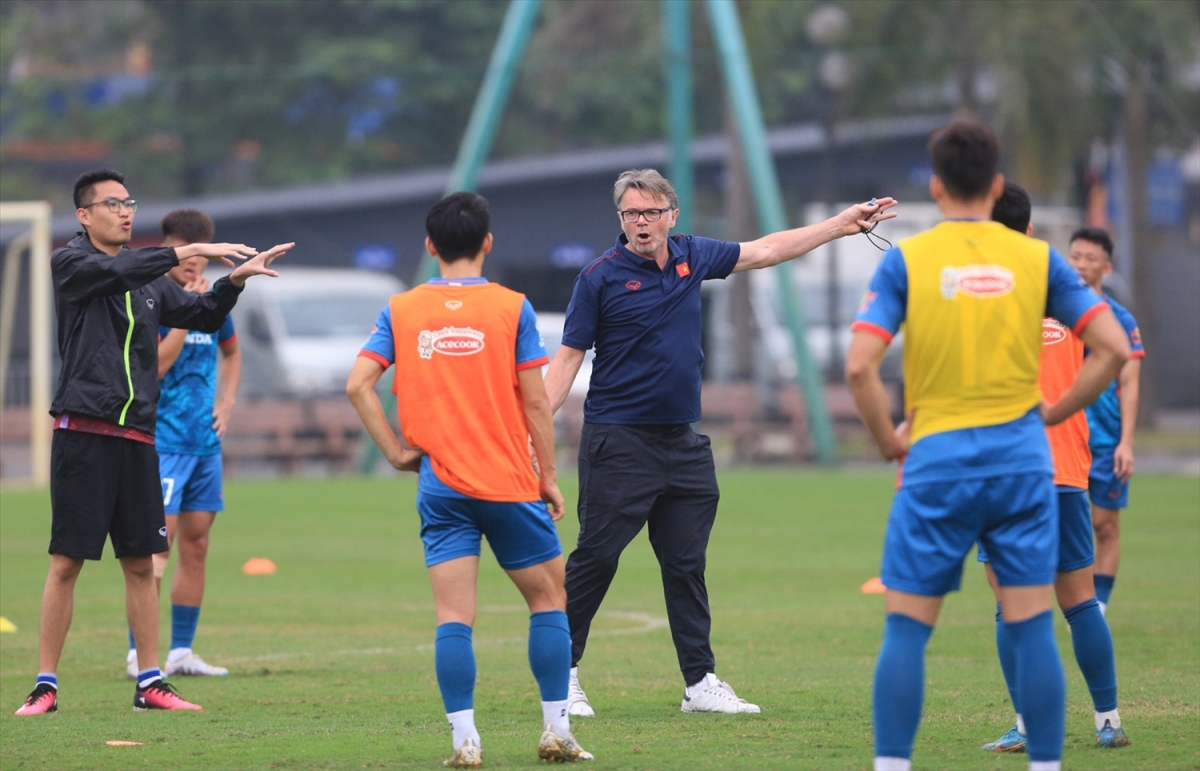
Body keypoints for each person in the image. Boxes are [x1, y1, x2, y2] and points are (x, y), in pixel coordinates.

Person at [542, 168, 897, 717]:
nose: (641, 222)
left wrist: (840, 225)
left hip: (682, 445)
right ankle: (561, 675)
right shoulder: (599, 277)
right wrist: (532, 430)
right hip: (619, 442)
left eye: (651, 212)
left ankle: (699, 682)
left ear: (672, 215)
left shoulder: (693, 255)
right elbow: (567, 359)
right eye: (631, 213)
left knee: (686, 565)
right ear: (621, 219)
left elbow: (767, 250)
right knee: (597, 558)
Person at [846, 121, 1130, 771]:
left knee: (906, 629)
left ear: (937, 187)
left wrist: (889, 440)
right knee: (1033, 624)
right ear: (996, 185)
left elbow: (860, 366)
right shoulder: (1039, 260)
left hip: (936, 462)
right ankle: (1049, 761)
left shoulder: (909, 259)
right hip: (1024, 465)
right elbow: (1114, 348)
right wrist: (1055, 410)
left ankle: (892, 764)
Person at [14, 169, 290, 717]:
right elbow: (116, 271)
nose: (125, 211)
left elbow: (201, 313)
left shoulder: (149, 280)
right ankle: (45, 686)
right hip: (84, 433)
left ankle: (150, 681)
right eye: (112, 204)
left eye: (129, 203)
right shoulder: (71, 263)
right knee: (67, 563)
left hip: (140, 437)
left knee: (142, 563)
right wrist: (191, 249)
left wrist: (235, 281)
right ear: (84, 215)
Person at [347, 192, 592, 767]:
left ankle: (465, 742)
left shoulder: (401, 309)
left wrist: (395, 453)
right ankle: (556, 732)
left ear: (430, 246)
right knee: (548, 599)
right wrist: (549, 475)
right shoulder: (512, 307)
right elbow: (536, 402)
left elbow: (358, 385)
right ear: (487, 242)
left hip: (441, 485)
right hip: (508, 481)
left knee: (454, 616)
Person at [976, 182, 1129, 752]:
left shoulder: (975, 292)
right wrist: (1062, 409)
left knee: (1008, 605)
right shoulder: (1064, 286)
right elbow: (1115, 352)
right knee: (1080, 601)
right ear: (1031, 229)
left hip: (1002, 470)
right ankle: (1108, 721)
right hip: (1064, 465)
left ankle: (1026, 724)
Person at [122, 209, 241, 679]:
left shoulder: (211, 301)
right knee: (156, 552)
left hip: (204, 445)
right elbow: (156, 366)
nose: (193, 261)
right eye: (184, 251)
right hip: (163, 444)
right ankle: (139, 654)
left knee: (197, 546)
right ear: (168, 249)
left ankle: (182, 652)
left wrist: (227, 401)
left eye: (200, 253)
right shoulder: (154, 298)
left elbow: (232, 352)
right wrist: (188, 316)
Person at [1066, 228, 1145, 615]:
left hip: (1104, 440)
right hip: (1063, 438)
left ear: (1106, 267)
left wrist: (1126, 442)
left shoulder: (1120, 320)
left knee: (1105, 525)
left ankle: (1096, 609)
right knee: (1057, 525)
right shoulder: (1053, 314)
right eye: (1075, 256)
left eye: (1090, 258)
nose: (1081, 265)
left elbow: (1129, 383)